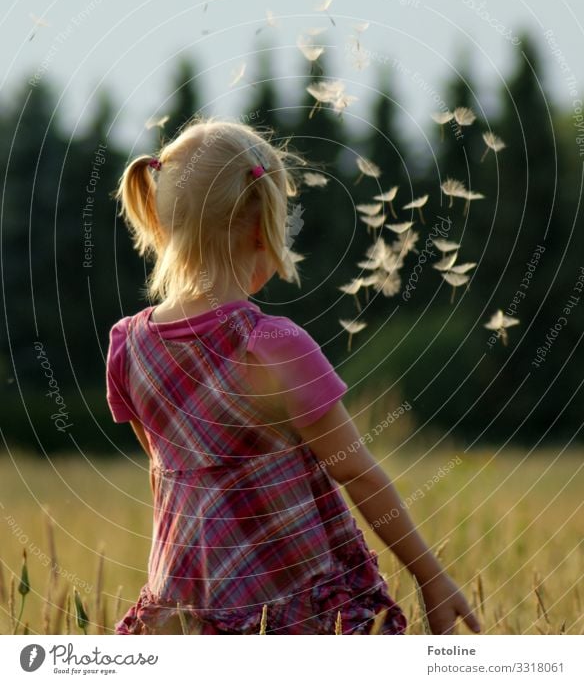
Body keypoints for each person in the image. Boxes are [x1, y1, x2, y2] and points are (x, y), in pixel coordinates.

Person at [106, 114, 481, 636]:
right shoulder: (273, 346)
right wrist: (431, 576)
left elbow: (164, 473)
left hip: (183, 611)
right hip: (289, 604)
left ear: (162, 220)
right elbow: (357, 472)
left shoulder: (129, 346)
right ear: (264, 225)